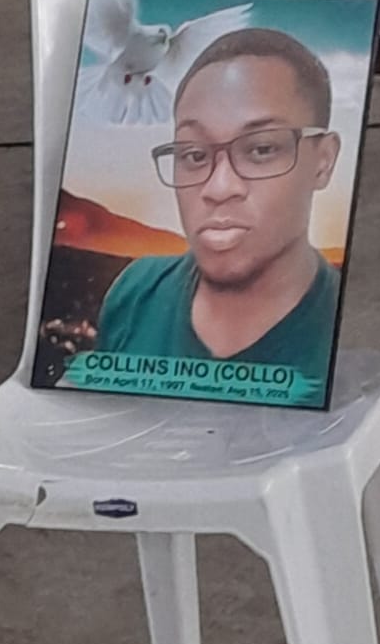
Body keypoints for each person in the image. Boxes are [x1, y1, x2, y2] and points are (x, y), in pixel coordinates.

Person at [94, 28, 342, 386]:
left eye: (261, 149)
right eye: (194, 155)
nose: (219, 188)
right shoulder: (137, 291)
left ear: (323, 161)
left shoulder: (349, 325)